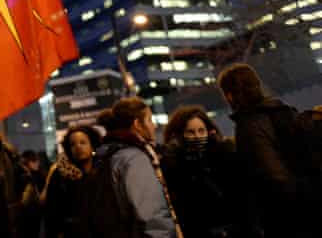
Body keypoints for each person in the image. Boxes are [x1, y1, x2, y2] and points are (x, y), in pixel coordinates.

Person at [217, 63, 317, 237]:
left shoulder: (249, 125)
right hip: (311, 209)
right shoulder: (285, 111)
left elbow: (274, 177)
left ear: (230, 95)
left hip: (286, 219)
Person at [80, 97, 177, 238]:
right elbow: (151, 215)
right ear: (137, 124)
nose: (154, 126)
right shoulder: (134, 158)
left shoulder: (107, 154)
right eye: (149, 120)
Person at [160, 105, 259, 238]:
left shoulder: (226, 158)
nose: (197, 136)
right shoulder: (173, 166)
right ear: (178, 136)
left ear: (209, 131)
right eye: (190, 132)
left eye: (201, 131)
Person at [42, 126, 101, 238]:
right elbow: (51, 211)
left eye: (83, 142)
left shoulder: (103, 170)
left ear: (92, 144)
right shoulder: (60, 175)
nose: (78, 147)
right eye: (73, 144)